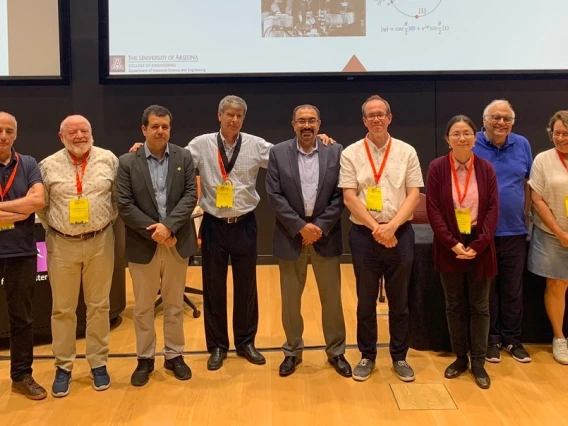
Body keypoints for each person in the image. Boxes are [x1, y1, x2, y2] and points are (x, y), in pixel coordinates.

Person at [129, 95, 334, 371]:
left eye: (239, 115)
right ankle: (217, 346)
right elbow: (171, 157)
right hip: (214, 223)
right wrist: (143, 148)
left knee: (246, 287)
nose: (234, 119)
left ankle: (246, 342)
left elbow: (290, 154)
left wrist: (321, 140)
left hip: (245, 223)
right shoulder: (201, 145)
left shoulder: (257, 145)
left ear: (243, 119)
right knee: (213, 288)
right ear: (219, 115)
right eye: (229, 114)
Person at [338, 95, 423, 383]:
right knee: (365, 302)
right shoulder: (351, 153)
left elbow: (414, 194)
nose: (376, 119)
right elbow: (349, 196)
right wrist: (377, 228)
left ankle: (399, 356)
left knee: (400, 302)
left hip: (400, 233)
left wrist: (392, 227)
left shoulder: (406, 151)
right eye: (370, 115)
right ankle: (367, 356)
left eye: (381, 114)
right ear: (364, 120)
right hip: (364, 235)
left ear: (389, 118)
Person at [266, 104, 350, 377]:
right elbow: (274, 195)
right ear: (293, 125)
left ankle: (336, 352)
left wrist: (319, 226)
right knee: (291, 300)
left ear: (319, 123)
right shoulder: (278, 153)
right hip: (292, 236)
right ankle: (292, 351)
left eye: (311, 120)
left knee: (333, 300)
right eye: (301, 121)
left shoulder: (336, 151)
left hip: (325, 235)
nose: (306, 125)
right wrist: (301, 226)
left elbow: (342, 195)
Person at [37, 115, 118, 397]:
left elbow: (117, 200)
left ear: (92, 133)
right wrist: (62, 231)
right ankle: (64, 366)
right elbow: (41, 208)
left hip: (100, 241)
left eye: (84, 130)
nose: (79, 136)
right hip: (61, 244)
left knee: (99, 306)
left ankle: (98, 363)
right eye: (72, 132)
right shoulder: (47, 166)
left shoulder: (109, 160)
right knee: (62, 309)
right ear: (61, 137)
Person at [117, 105, 197, 386]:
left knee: (174, 305)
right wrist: (156, 231)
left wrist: (169, 227)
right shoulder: (127, 162)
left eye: (165, 126)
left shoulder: (184, 157)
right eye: (155, 126)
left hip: (176, 241)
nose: (160, 131)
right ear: (144, 129)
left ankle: (174, 356)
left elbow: (190, 195)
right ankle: (145, 358)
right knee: (143, 307)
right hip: (144, 243)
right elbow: (124, 205)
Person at [426, 115, 499, 389]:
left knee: (480, 307)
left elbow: (493, 209)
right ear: (448, 139)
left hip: (480, 243)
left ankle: (478, 361)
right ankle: (460, 358)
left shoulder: (486, 168)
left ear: (475, 137)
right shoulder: (436, 168)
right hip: (450, 246)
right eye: (456, 133)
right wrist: (452, 243)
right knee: (454, 304)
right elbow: (433, 209)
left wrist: (478, 244)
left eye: (467, 133)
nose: (462, 138)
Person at [473, 100, 533, 364]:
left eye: (506, 119)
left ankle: (512, 339)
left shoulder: (522, 144)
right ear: (484, 120)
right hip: (482, 232)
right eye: (495, 118)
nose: (501, 123)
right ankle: (491, 339)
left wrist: (527, 215)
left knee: (512, 288)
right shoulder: (471, 142)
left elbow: (528, 183)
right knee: (487, 289)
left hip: (515, 231)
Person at [0, 112, 47, 400]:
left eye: (9, 131)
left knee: (22, 318)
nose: (3, 135)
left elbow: (38, 202)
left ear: (15, 135)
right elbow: (27, 204)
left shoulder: (28, 164)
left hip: (21, 250)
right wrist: (20, 208)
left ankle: (21, 375)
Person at [527, 110, 568, 365]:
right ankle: (559, 337)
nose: (561, 138)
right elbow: (537, 199)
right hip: (553, 234)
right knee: (557, 285)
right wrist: (561, 233)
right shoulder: (543, 160)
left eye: (566, 134)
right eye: (557, 133)